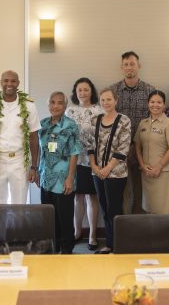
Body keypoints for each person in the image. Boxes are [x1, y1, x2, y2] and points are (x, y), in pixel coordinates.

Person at [0, 71, 41, 204]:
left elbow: (34, 137)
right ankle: (0, 226)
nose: (9, 84)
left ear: (18, 83)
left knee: (19, 203)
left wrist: (34, 167)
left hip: (20, 160)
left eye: (13, 81)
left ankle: (17, 226)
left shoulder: (29, 105)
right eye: (6, 80)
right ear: (1, 83)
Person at [87, 88, 132, 254]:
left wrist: (107, 168)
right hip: (97, 173)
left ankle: (117, 245)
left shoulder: (124, 121)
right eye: (103, 100)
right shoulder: (95, 120)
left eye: (109, 99)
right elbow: (90, 146)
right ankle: (109, 243)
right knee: (105, 209)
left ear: (116, 100)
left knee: (115, 209)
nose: (106, 103)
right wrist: (94, 166)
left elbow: (124, 147)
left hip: (116, 173)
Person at [110, 51, 155, 215]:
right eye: (126, 64)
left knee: (141, 190)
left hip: (143, 148)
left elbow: (153, 119)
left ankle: (139, 229)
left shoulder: (150, 90)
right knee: (122, 191)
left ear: (139, 66)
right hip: (118, 150)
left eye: (132, 64)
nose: (129, 67)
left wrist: (138, 147)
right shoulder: (113, 91)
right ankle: (123, 228)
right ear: (122, 67)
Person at [38, 92, 82, 254]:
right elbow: (41, 151)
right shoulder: (42, 124)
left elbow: (74, 152)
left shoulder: (70, 125)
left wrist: (70, 178)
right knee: (49, 216)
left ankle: (66, 248)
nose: (55, 106)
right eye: (52, 102)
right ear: (48, 104)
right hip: (46, 178)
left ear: (65, 106)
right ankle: (52, 246)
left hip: (64, 179)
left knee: (64, 216)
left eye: (59, 103)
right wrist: (37, 171)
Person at [65, 77, 102, 251]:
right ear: (75, 92)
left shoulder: (99, 110)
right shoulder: (70, 112)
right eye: (79, 90)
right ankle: (77, 231)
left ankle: (93, 234)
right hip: (73, 160)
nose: (83, 93)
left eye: (86, 89)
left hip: (92, 160)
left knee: (91, 197)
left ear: (91, 91)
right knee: (77, 197)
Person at [135, 90, 169, 214]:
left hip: (163, 172)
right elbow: (138, 147)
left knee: (166, 209)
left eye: (159, 102)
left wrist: (158, 167)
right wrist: (142, 166)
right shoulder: (143, 123)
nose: (155, 105)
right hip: (146, 172)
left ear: (164, 104)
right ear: (147, 103)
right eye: (152, 102)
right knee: (149, 208)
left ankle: (167, 233)